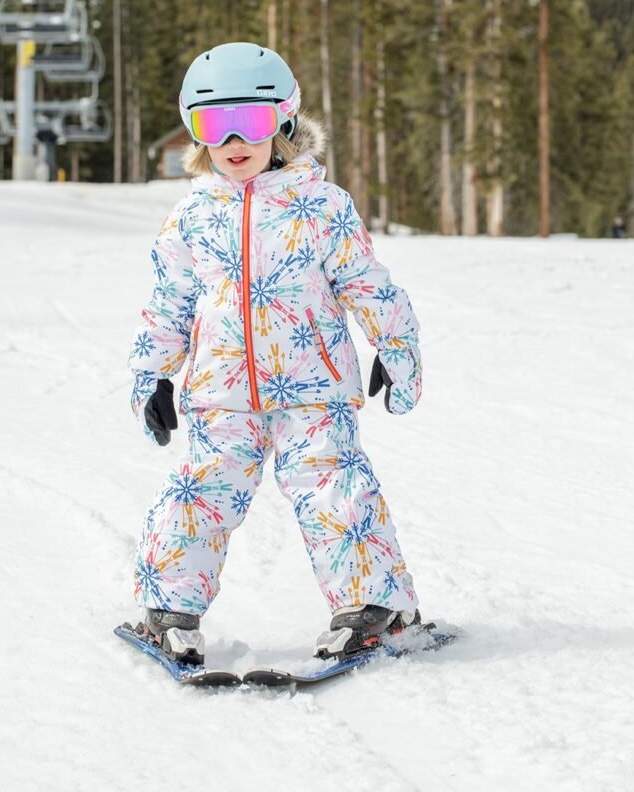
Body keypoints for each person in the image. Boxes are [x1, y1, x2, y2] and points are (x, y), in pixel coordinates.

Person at [127, 41, 423, 666]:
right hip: (221, 394)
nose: (234, 141)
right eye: (215, 124)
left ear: (283, 122)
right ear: (195, 131)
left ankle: (375, 606)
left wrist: (394, 344)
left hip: (315, 388)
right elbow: (170, 301)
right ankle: (169, 608)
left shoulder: (322, 206)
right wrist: (153, 374)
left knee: (336, 490)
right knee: (199, 493)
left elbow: (366, 281)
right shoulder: (191, 217)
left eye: (251, 122)